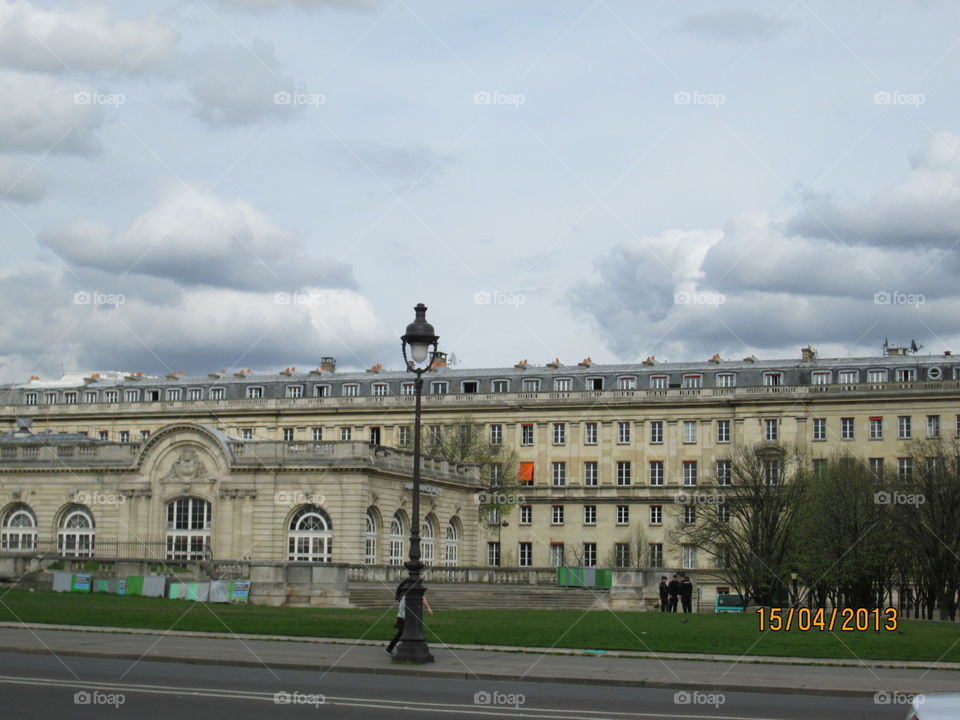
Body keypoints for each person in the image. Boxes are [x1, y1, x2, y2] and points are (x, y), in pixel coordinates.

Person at [386, 577, 433, 655]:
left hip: (402, 619)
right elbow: (403, 612)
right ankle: (393, 650)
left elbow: (422, 597)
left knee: (402, 634)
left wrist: (428, 608)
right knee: (404, 634)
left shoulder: (406, 597)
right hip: (403, 619)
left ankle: (390, 649)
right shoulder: (405, 599)